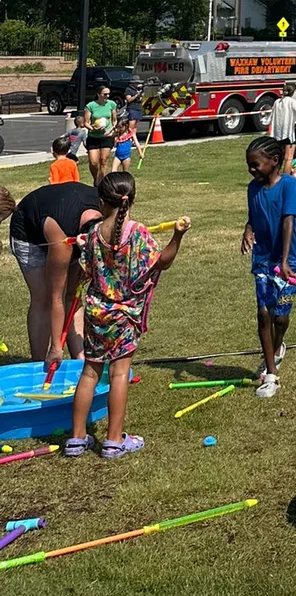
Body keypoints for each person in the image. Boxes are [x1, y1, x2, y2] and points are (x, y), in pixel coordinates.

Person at [66, 173, 189, 459]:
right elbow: (162, 263)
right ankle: (113, 441)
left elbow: (86, 271)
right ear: (132, 199)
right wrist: (177, 236)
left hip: (97, 314)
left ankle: (76, 438)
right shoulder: (138, 233)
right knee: (119, 374)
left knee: (89, 373)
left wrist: (85, 246)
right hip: (124, 316)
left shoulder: (94, 234)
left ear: (102, 201)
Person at [1, 178, 102, 362]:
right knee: (46, 297)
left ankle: (80, 360)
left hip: (65, 224)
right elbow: (56, 296)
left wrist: (86, 263)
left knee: (72, 294)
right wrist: (56, 348)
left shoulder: (107, 210)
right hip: (29, 231)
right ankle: (39, 362)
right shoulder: (62, 237)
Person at [240, 135, 296, 399]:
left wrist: (286, 261)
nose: (251, 170)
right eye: (249, 165)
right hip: (263, 259)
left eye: (256, 165)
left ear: (275, 161)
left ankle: (276, 351)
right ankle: (271, 373)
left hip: (290, 260)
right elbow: (253, 216)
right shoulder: (252, 188)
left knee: (280, 317)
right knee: (263, 313)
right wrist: (247, 230)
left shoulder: (288, 184)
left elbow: (288, 222)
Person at [83, 83, 119, 179]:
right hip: (93, 136)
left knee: (103, 160)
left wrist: (110, 130)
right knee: (93, 162)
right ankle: (95, 178)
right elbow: (86, 123)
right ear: (98, 94)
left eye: (108, 94)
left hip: (107, 136)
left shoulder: (111, 104)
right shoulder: (91, 106)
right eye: (105, 94)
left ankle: (101, 180)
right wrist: (92, 128)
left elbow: (114, 120)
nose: (107, 96)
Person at [268, 83, 296, 174]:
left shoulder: (277, 102)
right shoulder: (292, 102)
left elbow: (272, 116)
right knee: (289, 158)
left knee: (279, 157)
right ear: (293, 92)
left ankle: (275, 176)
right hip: (289, 132)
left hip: (278, 133)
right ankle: (285, 179)